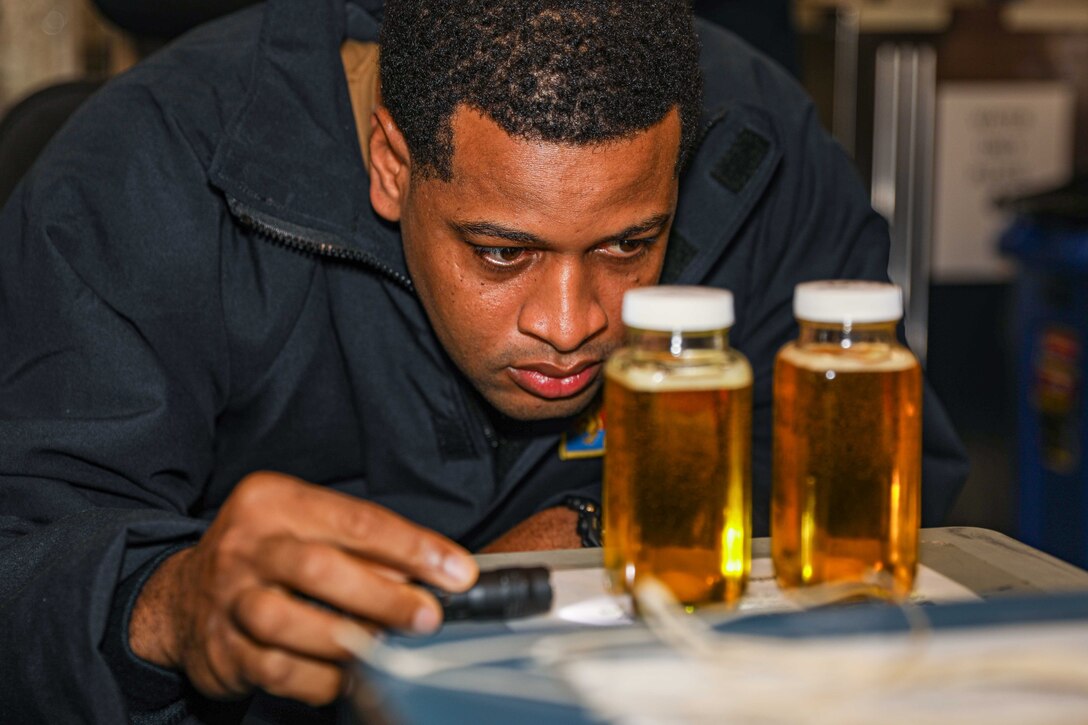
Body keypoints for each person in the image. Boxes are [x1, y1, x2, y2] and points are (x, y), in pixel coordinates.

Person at [0, 0, 969, 721]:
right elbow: (23, 558)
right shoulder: (142, 176)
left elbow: (877, 481)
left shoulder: (755, 135)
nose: (568, 322)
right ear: (391, 164)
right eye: (500, 252)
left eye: (631, 243)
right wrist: (167, 600)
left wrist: (602, 524)